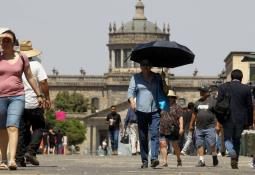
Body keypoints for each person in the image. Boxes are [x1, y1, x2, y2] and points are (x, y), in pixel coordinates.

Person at [0, 30, 43, 170]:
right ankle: (3, 159)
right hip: (0, 97)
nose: (5, 42)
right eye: (3, 40)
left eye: (8, 40)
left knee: (13, 126)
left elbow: (30, 76)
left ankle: (12, 160)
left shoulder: (22, 58)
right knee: (2, 129)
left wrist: (39, 94)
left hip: (17, 96)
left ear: (14, 42)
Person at [16, 40, 51, 167]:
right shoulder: (36, 64)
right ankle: (31, 151)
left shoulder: (15, 63)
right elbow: (43, 83)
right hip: (34, 101)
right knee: (39, 126)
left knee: (21, 130)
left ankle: (19, 158)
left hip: (18, 101)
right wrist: (47, 97)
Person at [127, 59, 163, 168]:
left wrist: (164, 80)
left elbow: (164, 91)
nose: (146, 67)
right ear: (140, 66)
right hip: (141, 111)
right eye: (143, 65)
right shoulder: (135, 77)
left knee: (155, 134)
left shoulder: (157, 77)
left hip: (155, 110)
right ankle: (144, 160)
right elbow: (130, 91)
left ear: (151, 66)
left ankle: (154, 158)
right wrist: (132, 101)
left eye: (148, 65)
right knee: (142, 137)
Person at [217, 69, 253, 169]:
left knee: (227, 139)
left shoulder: (223, 87)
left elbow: (218, 104)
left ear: (231, 77)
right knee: (237, 139)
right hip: (240, 119)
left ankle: (231, 152)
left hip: (226, 117)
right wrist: (249, 121)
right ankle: (235, 161)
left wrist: (219, 118)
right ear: (241, 78)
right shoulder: (246, 89)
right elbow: (250, 106)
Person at [190, 86, 220, 167]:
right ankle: (201, 160)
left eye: (202, 91)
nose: (200, 92)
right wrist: (191, 124)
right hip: (199, 127)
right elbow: (194, 114)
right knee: (199, 144)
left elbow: (217, 114)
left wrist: (217, 125)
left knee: (212, 144)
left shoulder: (213, 102)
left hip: (210, 126)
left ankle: (214, 155)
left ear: (207, 92)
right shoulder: (197, 102)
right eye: (200, 91)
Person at [159, 90, 184, 167]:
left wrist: (181, 127)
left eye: (170, 97)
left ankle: (179, 159)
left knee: (175, 145)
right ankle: (164, 161)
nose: (169, 98)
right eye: (167, 97)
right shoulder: (162, 105)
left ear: (173, 98)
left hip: (173, 129)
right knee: (163, 144)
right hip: (163, 128)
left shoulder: (177, 107)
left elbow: (180, 117)